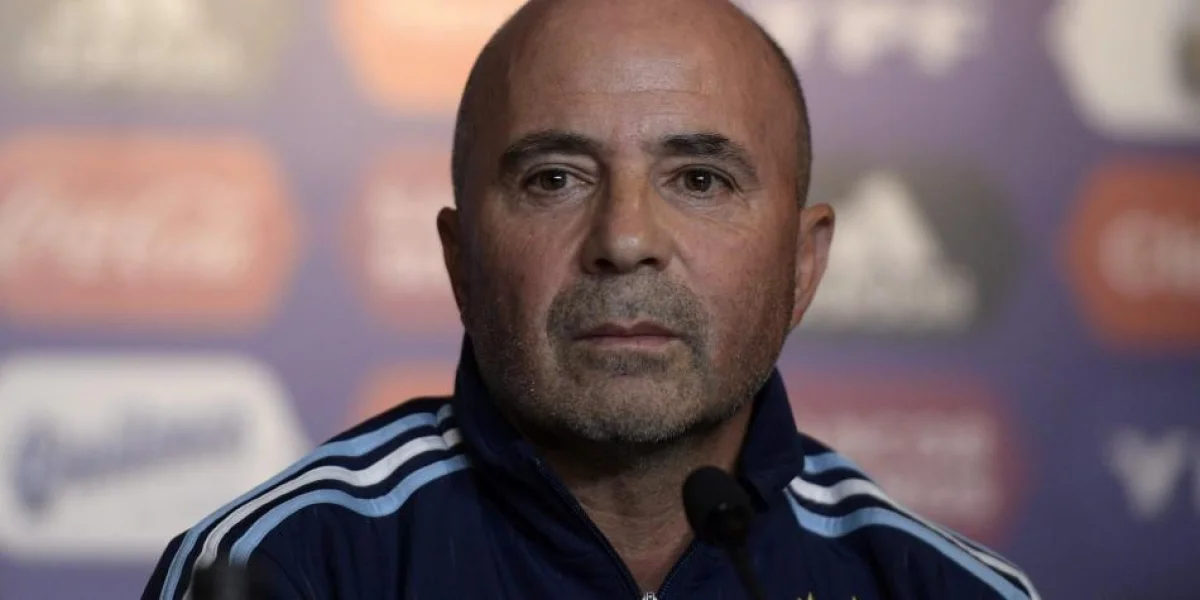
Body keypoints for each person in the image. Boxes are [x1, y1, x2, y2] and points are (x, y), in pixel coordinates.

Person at [143, 0, 1039, 598]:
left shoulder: (940, 589)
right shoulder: (286, 570)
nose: (625, 238)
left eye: (699, 179)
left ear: (804, 266)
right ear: (461, 262)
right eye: (555, 178)